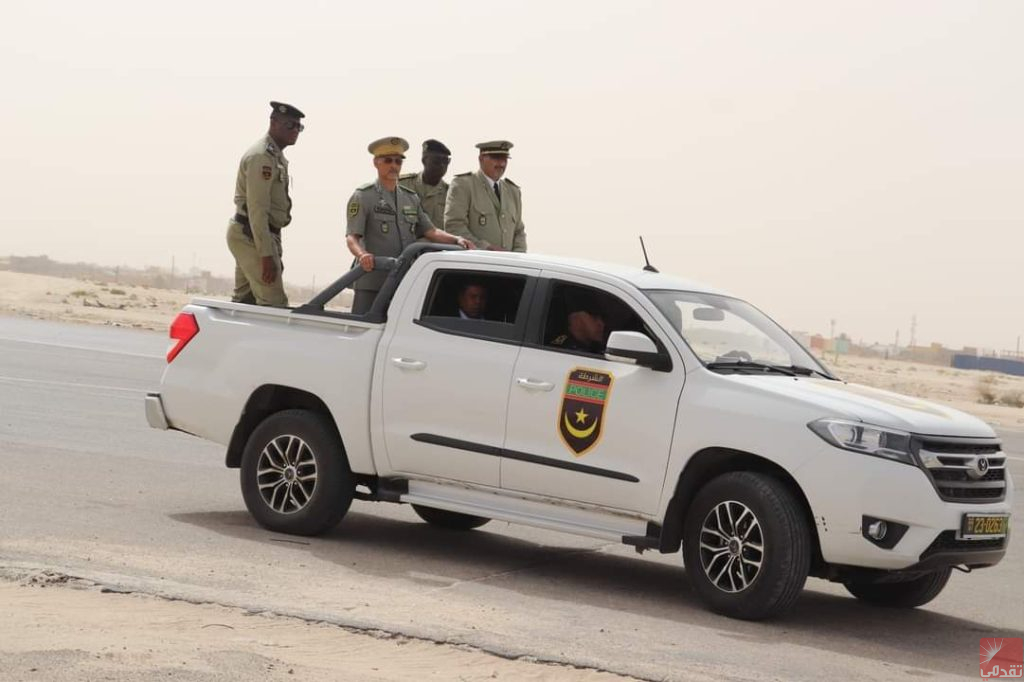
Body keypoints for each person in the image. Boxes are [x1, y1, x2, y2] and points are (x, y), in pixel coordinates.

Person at [345, 137, 474, 314]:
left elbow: (431, 231)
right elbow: (352, 237)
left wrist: (457, 239)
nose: (394, 166)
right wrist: (362, 255)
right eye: (388, 160)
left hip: (402, 280)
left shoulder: (410, 198)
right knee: (363, 330)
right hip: (372, 278)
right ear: (376, 162)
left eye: (398, 161)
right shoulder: (363, 196)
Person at [226, 101, 304, 306]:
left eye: (299, 127)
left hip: (258, 234)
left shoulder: (275, 156)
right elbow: (257, 209)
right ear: (274, 122)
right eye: (290, 125)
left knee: (245, 302)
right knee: (274, 304)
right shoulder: (262, 157)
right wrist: (266, 255)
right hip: (251, 234)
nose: (295, 131)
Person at [443, 140, 526, 252]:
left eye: (504, 159)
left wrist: (518, 258)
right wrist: (485, 247)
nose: (501, 164)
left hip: (507, 266)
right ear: (481, 158)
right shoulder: (463, 185)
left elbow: (519, 231)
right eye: (496, 158)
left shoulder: (513, 191)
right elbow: (454, 227)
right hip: (476, 264)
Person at [398, 139, 451, 230]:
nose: (442, 165)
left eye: (446, 161)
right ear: (424, 160)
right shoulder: (402, 185)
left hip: (438, 243)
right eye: (437, 161)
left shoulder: (450, 194)